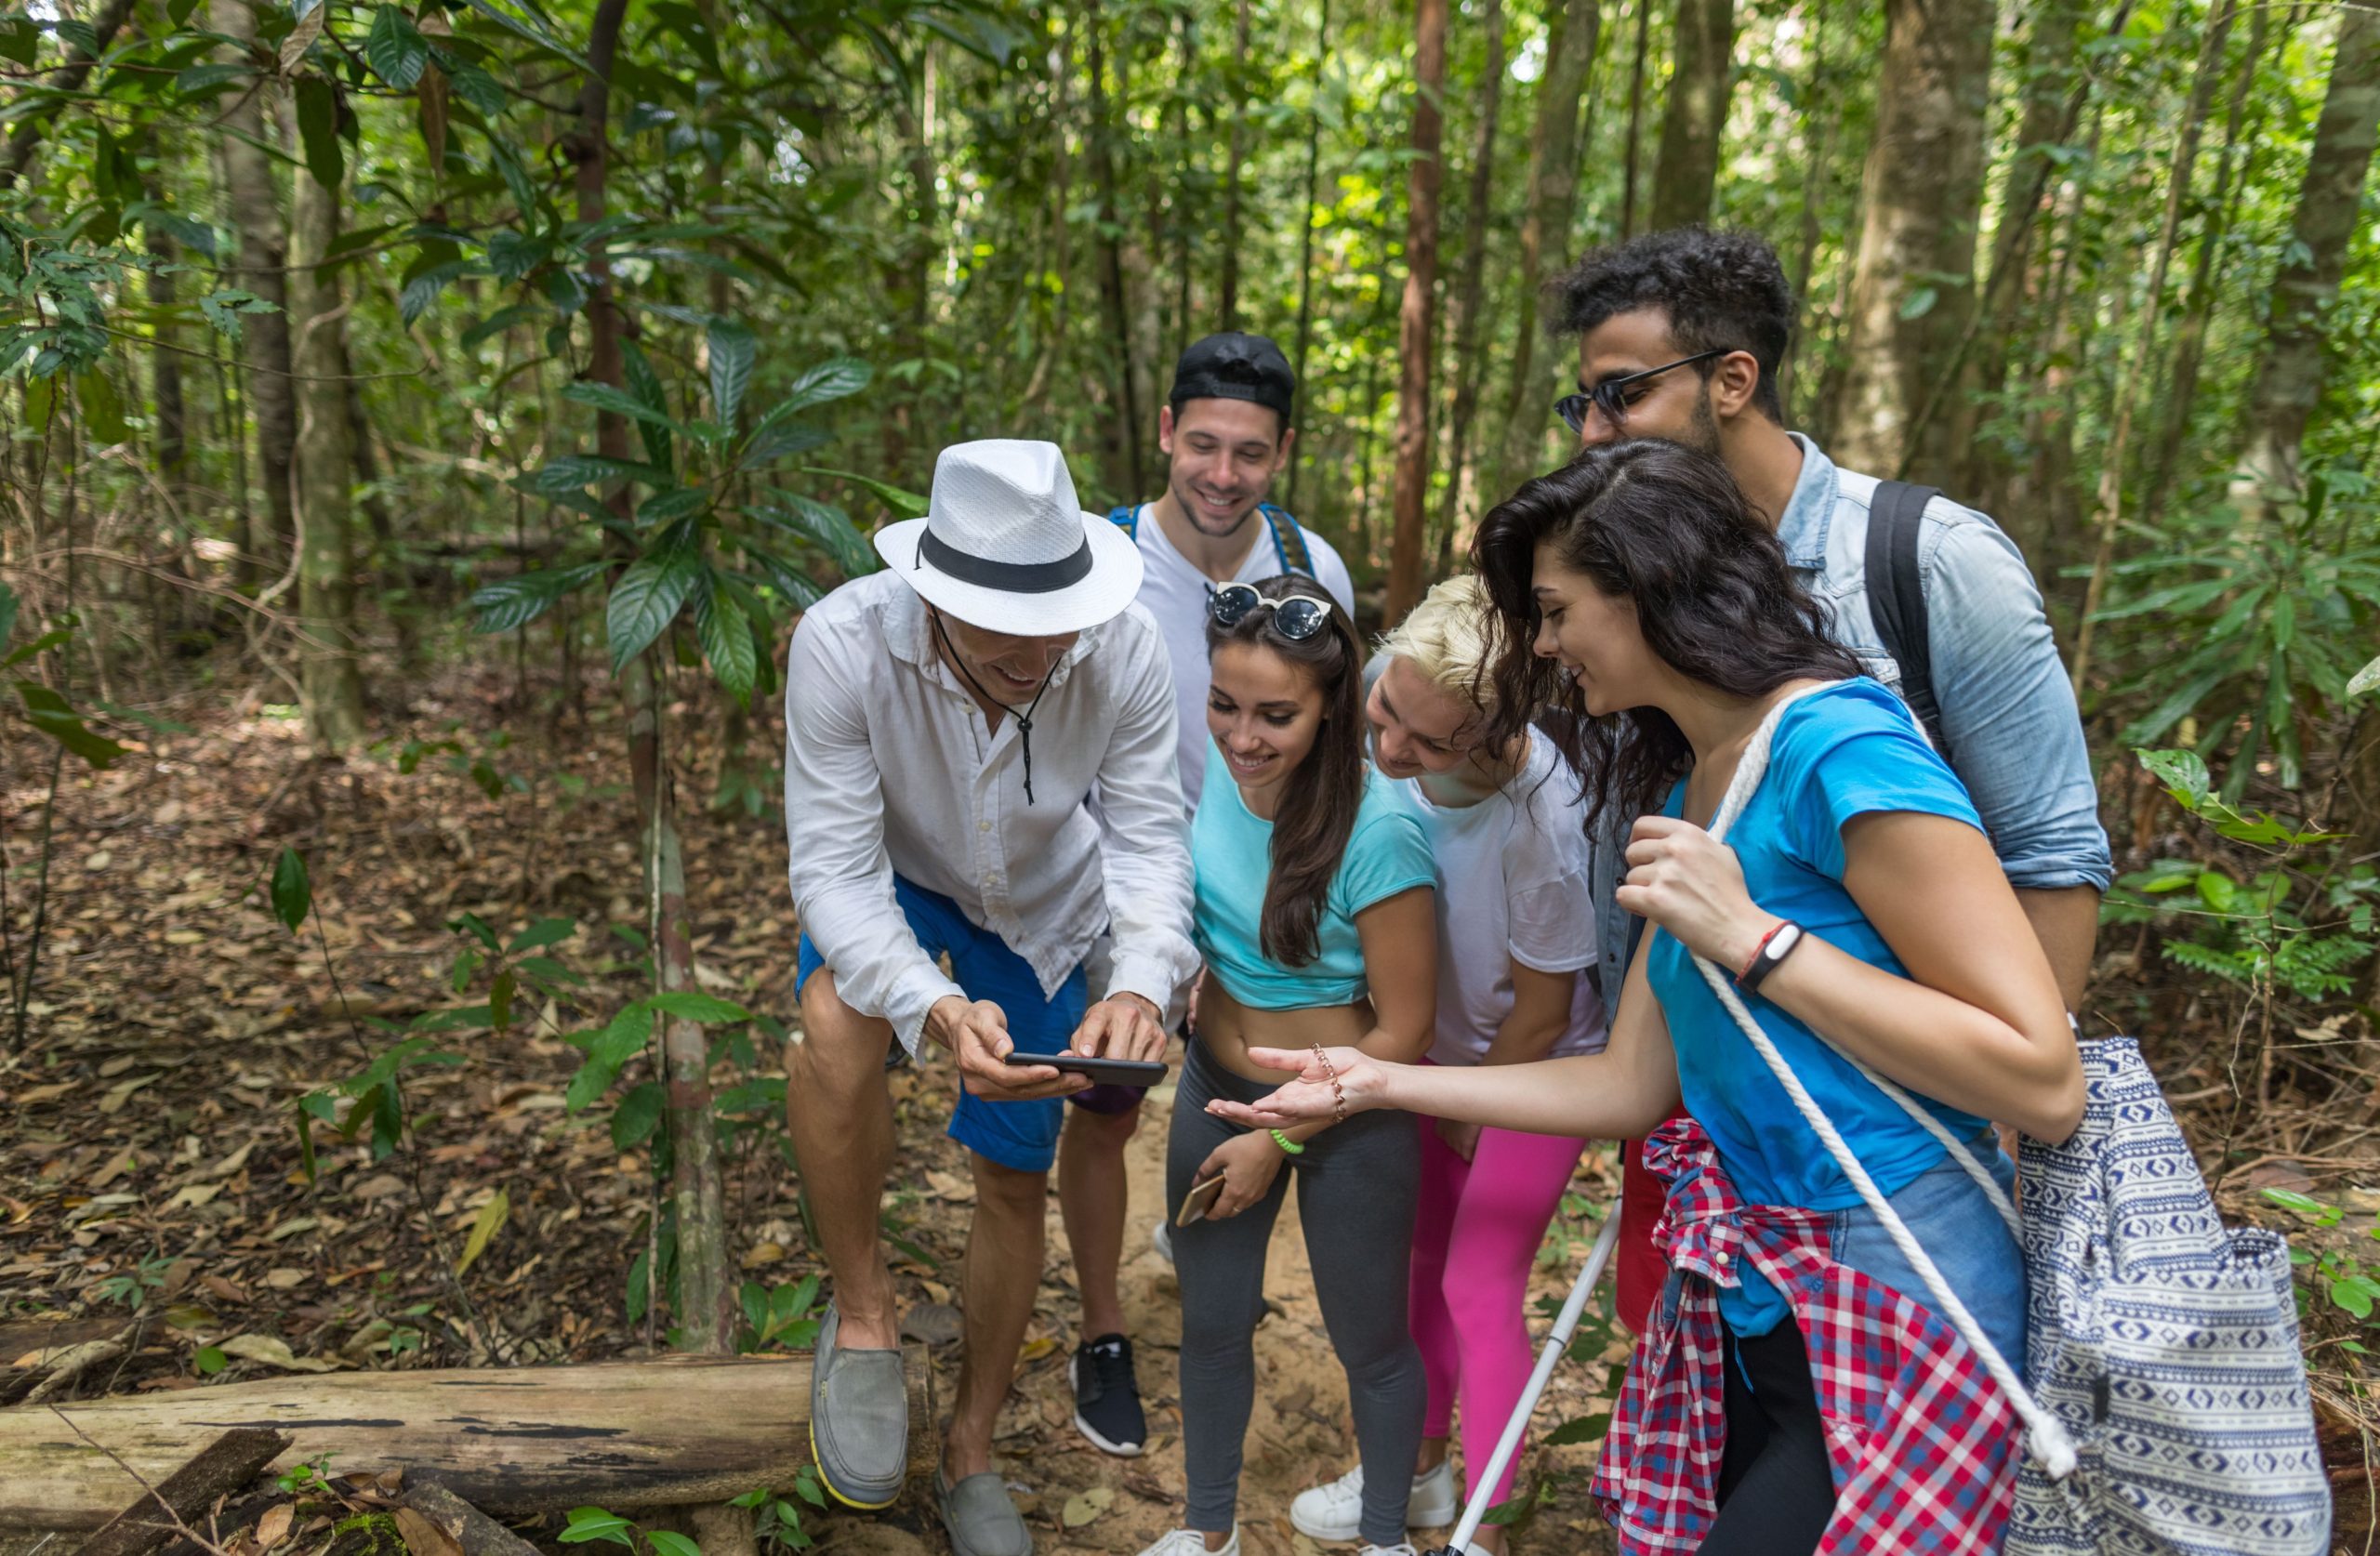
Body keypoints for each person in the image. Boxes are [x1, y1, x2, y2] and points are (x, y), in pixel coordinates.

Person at [1208, 442, 2085, 1555]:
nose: (1541, 642)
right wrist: (1376, 1080)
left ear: (1649, 591)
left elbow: (2042, 1079)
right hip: (1754, 1299)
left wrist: (1757, 941)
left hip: (1894, 1300)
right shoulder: (1691, 783)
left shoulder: (1839, 744)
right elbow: (1630, 1082)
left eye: (1555, 608)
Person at [1539, 227, 2112, 1330]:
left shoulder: (1926, 562)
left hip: (1897, 1142)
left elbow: (2049, 855)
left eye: (1619, 397)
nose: (1591, 433)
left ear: (1731, 381)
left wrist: (1988, 1121)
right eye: (1582, 406)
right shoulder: (1616, 578)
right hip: (1714, 1109)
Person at [782, 440, 1197, 1556]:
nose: (1037, 648)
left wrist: (1143, 981)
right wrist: (932, 1007)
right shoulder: (842, 644)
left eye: (1053, 615)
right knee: (834, 1021)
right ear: (930, 593)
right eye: (1000, 624)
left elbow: (1151, 836)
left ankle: (972, 1444)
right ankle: (864, 1317)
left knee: (1014, 1166)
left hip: (1047, 908)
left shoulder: (1122, 646)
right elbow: (832, 869)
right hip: (901, 885)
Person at [1057, 332, 1360, 1457]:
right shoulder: (1099, 564)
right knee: (1110, 1098)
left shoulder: (1308, 564)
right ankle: (1100, 1330)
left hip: (1264, 898)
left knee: (1239, 1090)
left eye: (1250, 453)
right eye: (1203, 446)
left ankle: (1204, 1256)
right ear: (1168, 436)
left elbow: (1336, 740)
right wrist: (1142, 931)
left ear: (1281, 455)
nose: (1221, 476)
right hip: (1115, 886)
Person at [1289, 576, 1606, 1556]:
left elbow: (1546, 1008)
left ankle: (1487, 1522)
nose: (1391, 751)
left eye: (1429, 743)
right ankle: (1417, 1475)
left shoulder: (1543, 821)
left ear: (1498, 732)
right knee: (1417, 1268)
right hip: (1422, 1048)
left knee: (1479, 1282)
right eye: (1386, 711)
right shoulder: (1392, 714)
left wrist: (1471, 1112)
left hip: (1535, 1068)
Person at [1136, 576, 1439, 1556]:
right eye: (1224, 705)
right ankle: (1206, 1529)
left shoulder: (1381, 828)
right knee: (1213, 1321)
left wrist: (1285, 1132)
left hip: (1349, 1114)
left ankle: (1387, 1536)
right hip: (1215, 1088)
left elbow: (1405, 1030)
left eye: (1276, 715)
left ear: (1330, 707)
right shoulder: (1223, 778)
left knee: (1371, 1344)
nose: (1241, 735)